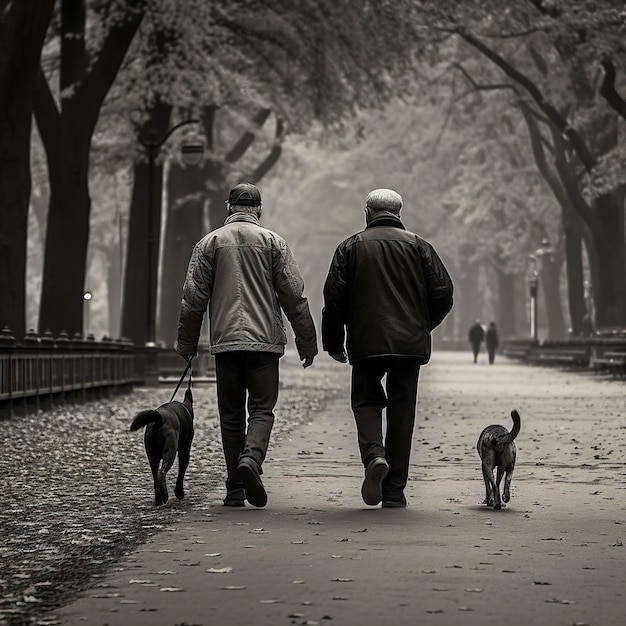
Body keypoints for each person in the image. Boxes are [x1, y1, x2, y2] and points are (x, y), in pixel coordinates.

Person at [176, 182, 318, 508]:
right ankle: (251, 460)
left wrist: (187, 343)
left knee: (230, 416)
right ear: (259, 209)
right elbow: (294, 296)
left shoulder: (209, 243)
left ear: (228, 207)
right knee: (262, 409)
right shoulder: (273, 243)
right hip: (264, 343)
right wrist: (307, 342)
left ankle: (235, 488)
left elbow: (193, 298)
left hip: (226, 342)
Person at [322, 188, 453, 508]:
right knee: (402, 413)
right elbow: (444, 294)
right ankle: (394, 490)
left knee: (365, 400)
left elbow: (334, 299)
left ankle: (374, 457)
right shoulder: (420, 247)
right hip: (409, 344)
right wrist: (421, 326)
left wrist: (334, 342)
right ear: (399, 213)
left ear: (367, 212)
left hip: (367, 341)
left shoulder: (350, 247)